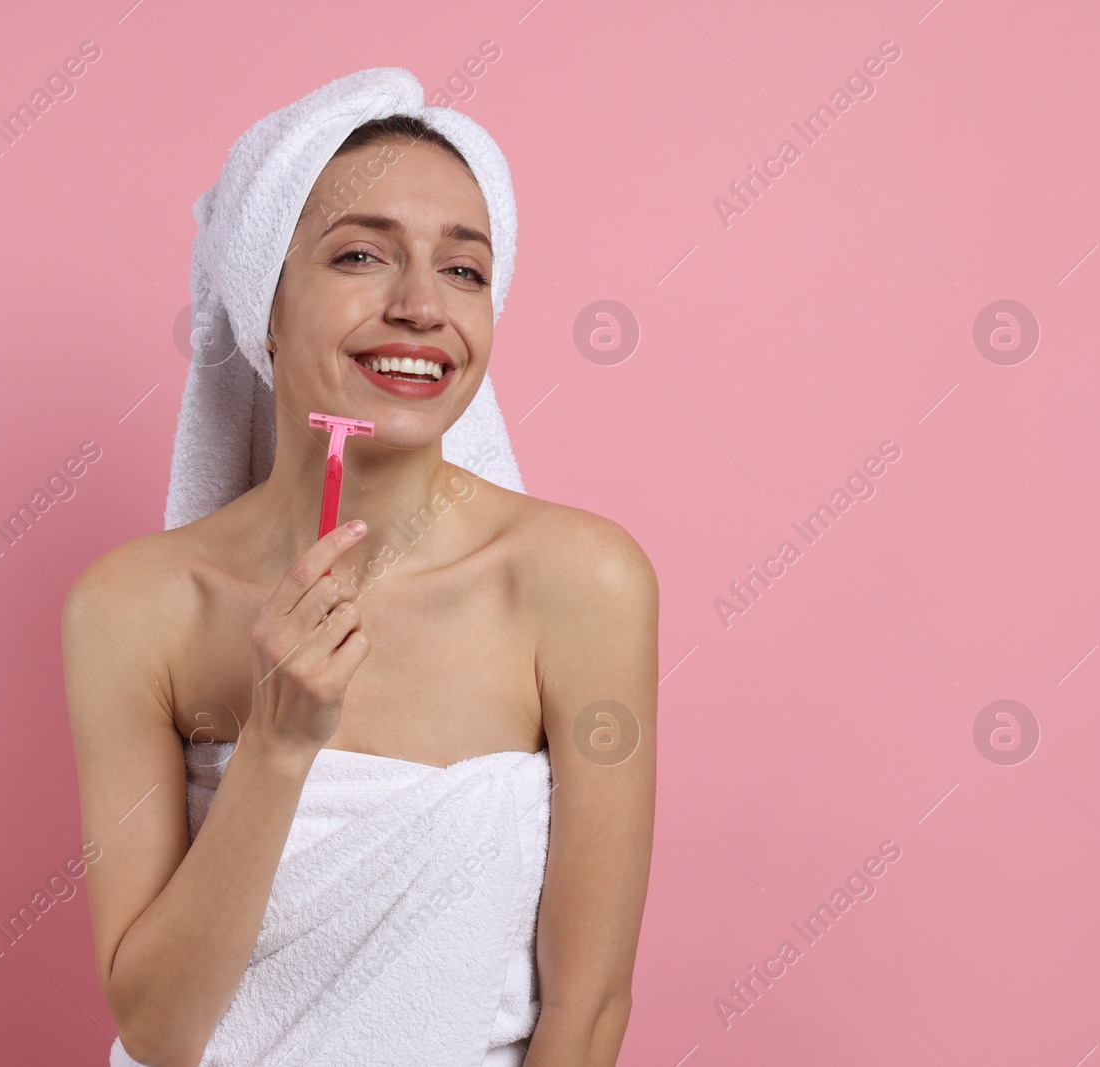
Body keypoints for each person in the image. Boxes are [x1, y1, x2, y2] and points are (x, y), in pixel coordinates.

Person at [62, 68, 658, 1067]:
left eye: (464, 270)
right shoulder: (135, 606)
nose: (422, 304)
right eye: (360, 255)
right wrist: (277, 745)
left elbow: (586, 1011)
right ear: (265, 302)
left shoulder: (579, 582)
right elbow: (157, 1028)